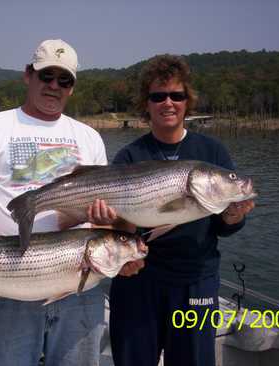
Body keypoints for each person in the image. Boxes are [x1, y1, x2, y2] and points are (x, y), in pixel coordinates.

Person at [0, 39, 108, 366]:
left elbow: (98, 220)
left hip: (80, 282)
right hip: (9, 281)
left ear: (72, 87)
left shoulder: (90, 137)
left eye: (64, 80)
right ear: (28, 75)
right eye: (46, 76)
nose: (54, 86)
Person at [102, 55, 255, 366]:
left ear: (188, 101)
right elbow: (119, 232)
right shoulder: (130, 155)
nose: (168, 103)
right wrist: (109, 219)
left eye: (177, 95)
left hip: (196, 281)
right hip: (138, 283)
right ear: (146, 104)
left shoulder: (212, 152)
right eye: (158, 96)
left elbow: (224, 227)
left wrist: (233, 216)